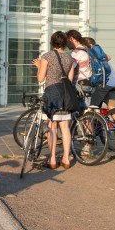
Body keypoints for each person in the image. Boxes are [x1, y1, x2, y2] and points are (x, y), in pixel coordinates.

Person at [32, 31, 75, 169]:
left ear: (52, 42)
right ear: (64, 43)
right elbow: (69, 80)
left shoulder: (47, 57)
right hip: (65, 94)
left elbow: (40, 79)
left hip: (51, 93)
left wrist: (39, 66)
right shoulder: (70, 59)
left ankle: (52, 159)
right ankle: (66, 159)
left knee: (52, 126)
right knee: (65, 126)